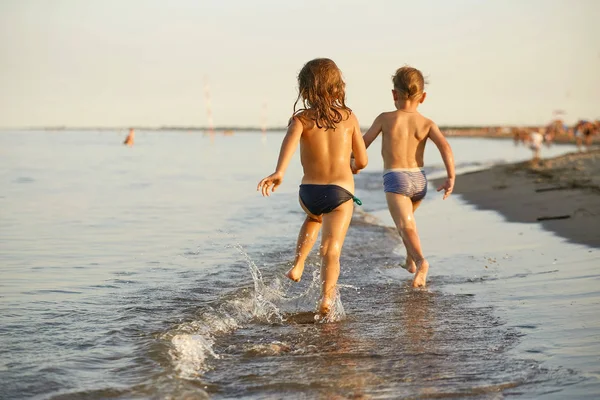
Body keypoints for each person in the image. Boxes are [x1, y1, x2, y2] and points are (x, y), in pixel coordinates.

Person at [257, 58, 368, 315]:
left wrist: (279, 172)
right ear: (338, 87)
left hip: (309, 193)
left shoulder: (300, 120)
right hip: (340, 194)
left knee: (313, 218)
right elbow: (362, 160)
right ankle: (326, 299)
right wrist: (354, 165)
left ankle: (298, 264)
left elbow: (288, 145)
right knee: (331, 250)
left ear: (305, 89)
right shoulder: (349, 118)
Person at [357, 66, 455, 288]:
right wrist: (451, 177)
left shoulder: (385, 118)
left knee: (405, 225)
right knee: (407, 221)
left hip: (396, 178)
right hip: (420, 180)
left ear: (394, 94)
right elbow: (446, 147)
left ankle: (421, 262)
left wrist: (351, 162)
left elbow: (363, 145)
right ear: (423, 97)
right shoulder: (427, 123)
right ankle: (410, 260)